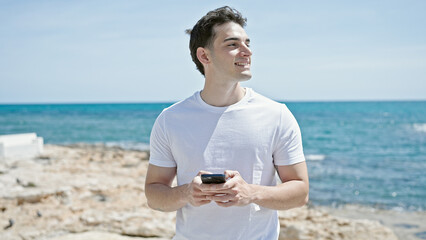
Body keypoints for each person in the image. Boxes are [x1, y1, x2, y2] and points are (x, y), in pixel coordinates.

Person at [145, 6, 309, 240]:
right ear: (205, 56)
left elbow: (300, 192)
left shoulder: (277, 115)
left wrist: (250, 192)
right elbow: (154, 195)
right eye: (232, 44)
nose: (247, 52)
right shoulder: (170, 119)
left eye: (247, 43)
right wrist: (187, 193)